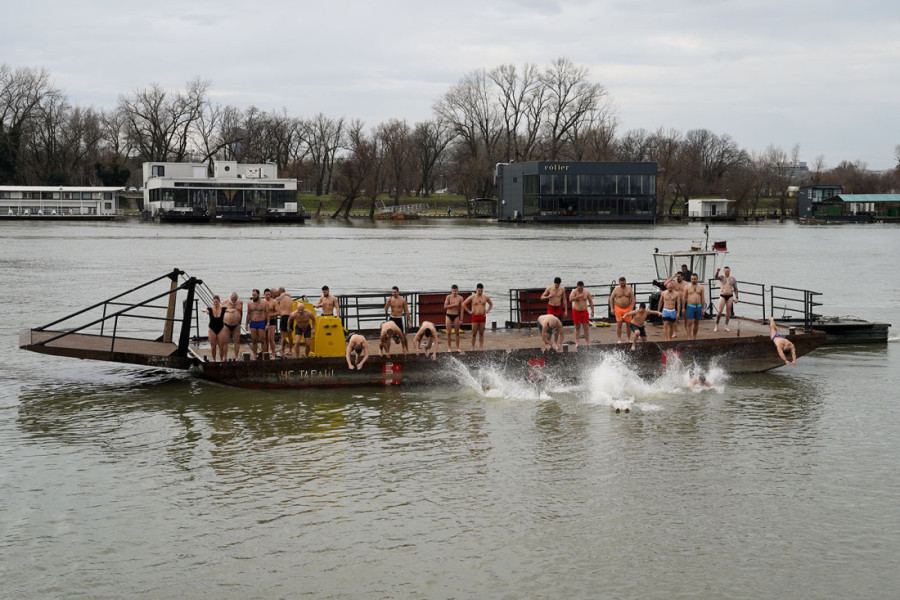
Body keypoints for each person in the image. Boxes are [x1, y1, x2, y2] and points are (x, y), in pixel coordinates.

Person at [462, 283, 492, 350]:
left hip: (482, 316)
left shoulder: (485, 297)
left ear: (483, 289)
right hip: (475, 316)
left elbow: (491, 304)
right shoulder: (472, 297)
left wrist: (488, 310)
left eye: (481, 290)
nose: (480, 292)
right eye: (479, 290)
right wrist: (469, 311)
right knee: (474, 333)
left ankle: (481, 347)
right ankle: (472, 347)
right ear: (476, 289)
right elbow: (463, 304)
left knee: (481, 333)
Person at [201, 295, 230, 362]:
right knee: (213, 346)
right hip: (212, 328)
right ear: (213, 302)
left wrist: (233, 310)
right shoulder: (210, 309)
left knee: (221, 346)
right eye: (214, 302)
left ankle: (221, 359)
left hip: (221, 328)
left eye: (217, 301)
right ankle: (214, 359)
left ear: (219, 302)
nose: (215, 303)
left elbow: (229, 310)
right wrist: (206, 311)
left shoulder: (222, 309)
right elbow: (202, 309)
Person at [609, 277, 635, 343]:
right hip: (618, 308)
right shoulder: (616, 289)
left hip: (627, 308)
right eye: (621, 283)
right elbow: (611, 299)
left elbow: (633, 299)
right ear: (619, 282)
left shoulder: (629, 288)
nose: (623, 284)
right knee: (619, 324)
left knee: (628, 324)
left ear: (626, 282)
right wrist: (612, 308)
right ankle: (619, 339)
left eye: (624, 283)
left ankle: (628, 339)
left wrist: (631, 309)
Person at [569, 281, 594, 347]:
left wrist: (592, 311)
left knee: (586, 327)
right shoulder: (574, 291)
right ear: (577, 286)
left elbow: (590, 301)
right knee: (577, 327)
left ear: (583, 286)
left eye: (581, 288)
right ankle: (577, 342)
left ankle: (588, 342)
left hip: (584, 311)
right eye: (579, 288)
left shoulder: (586, 292)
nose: (580, 289)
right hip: (576, 311)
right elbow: (570, 299)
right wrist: (578, 296)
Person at [714, 266, 739, 332]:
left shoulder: (732, 279)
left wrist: (737, 297)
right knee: (719, 311)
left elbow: (735, 288)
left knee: (728, 312)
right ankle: (716, 325)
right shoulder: (722, 277)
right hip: (722, 295)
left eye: (728, 271)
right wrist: (717, 271)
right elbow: (716, 277)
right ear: (724, 271)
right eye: (725, 271)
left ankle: (726, 326)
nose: (727, 272)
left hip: (730, 295)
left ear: (729, 271)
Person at [245, 289, 267, 360]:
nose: (253, 296)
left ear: (258, 295)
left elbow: (268, 313)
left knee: (262, 340)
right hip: (253, 322)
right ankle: (254, 355)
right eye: (252, 295)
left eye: (255, 295)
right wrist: (246, 324)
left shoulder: (264, 302)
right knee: (254, 340)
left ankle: (264, 354)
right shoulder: (250, 303)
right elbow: (248, 314)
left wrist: (268, 323)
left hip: (261, 322)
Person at [664, 271, 688, 338]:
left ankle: (686, 329)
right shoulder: (673, 283)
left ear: (682, 277)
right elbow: (665, 284)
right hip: (676, 301)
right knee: (675, 318)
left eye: (679, 276)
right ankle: (674, 332)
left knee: (685, 317)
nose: (678, 278)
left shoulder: (686, 284)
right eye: (677, 277)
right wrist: (673, 277)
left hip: (683, 301)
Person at [683, 274, 706, 340]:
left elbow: (702, 298)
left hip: (698, 306)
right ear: (690, 279)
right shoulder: (687, 287)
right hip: (690, 306)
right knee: (689, 322)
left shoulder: (701, 287)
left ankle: (694, 337)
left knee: (696, 323)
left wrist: (703, 308)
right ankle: (689, 337)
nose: (693, 280)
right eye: (692, 279)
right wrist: (683, 308)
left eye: (695, 279)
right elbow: (684, 298)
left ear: (697, 279)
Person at [443, 284, 466, 352]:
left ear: (458, 290)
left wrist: (461, 319)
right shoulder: (448, 297)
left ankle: (457, 347)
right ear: (451, 290)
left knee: (457, 332)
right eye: (453, 291)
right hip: (448, 315)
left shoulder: (460, 298)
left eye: (455, 291)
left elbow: (462, 309)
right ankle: (449, 348)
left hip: (456, 315)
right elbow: (445, 306)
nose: (454, 292)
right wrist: (454, 305)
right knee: (449, 332)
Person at [222, 292, 243, 360]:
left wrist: (240, 322)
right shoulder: (225, 302)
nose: (233, 300)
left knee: (237, 341)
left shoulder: (240, 302)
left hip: (236, 325)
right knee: (225, 341)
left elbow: (241, 312)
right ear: (230, 298)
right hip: (226, 324)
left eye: (235, 299)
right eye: (232, 299)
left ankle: (236, 356)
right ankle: (225, 356)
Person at [275, 287, 294, 355]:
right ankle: (290, 351)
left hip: (284, 316)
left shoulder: (279, 298)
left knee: (283, 336)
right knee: (290, 335)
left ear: (279, 292)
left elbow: (275, 305)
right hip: (291, 316)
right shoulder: (289, 298)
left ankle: (282, 351)